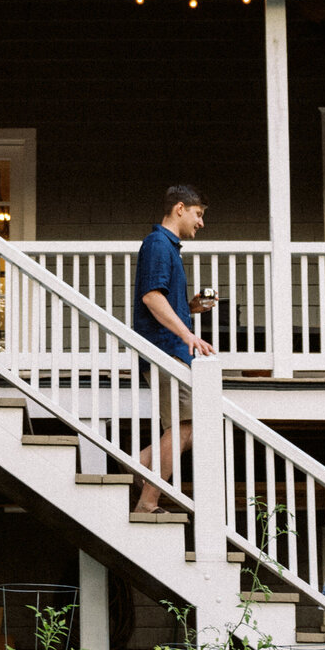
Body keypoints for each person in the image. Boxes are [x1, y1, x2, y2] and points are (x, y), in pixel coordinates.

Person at [131, 184, 216, 514]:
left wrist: (190, 309)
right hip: (165, 350)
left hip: (171, 349)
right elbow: (151, 297)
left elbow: (162, 297)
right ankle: (148, 502)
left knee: (188, 426)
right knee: (184, 426)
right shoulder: (157, 244)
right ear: (179, 208)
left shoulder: (168, 248)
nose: (201, 223)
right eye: (198, 214)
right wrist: (187, 335)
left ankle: (137, 464)